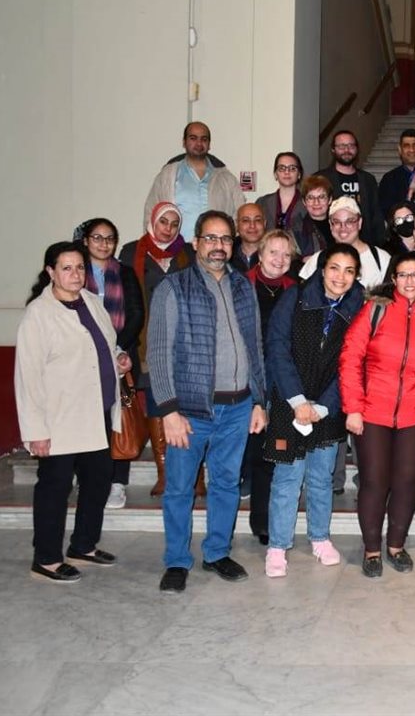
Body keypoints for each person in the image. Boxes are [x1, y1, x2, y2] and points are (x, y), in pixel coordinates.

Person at [148, 210, 267, 594]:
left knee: (226, 484)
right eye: (211, 238)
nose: (219, 246)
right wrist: (168, 410)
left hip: (238, 407)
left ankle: (217, 552)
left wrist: (259, 400)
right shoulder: (174, 287)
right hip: (190, 411)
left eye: (226, 239)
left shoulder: (243, 286)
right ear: (196, 243)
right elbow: (158, 352)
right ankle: (176, 561)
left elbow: (255, 347)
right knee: (180, 488)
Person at [16, 241, 130, 582]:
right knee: (55, 487)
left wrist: (119, 358)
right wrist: (36, 431)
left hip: (96, 412)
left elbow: (106, 344)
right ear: (51, 272)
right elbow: (27, 376)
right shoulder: (39, 314)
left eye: (80, 267)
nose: (75, 274)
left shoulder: (92, 302)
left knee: (98, 482)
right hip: (59, 419)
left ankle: (83, 545)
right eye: (66, 268)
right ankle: (47, 558)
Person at [340, 252, 415, 578]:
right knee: (374, 481)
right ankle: (372, 550)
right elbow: (350, 358)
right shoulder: (374, 310)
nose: (409, 281)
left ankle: (396, 546)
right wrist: (353, 408)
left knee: (406, 482)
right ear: (393, 279)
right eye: (403, 275)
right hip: (372, 412)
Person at [263, 243, 366, 578]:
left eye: (349, 271)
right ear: (322, 270)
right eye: (334, 268)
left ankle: (320, 538)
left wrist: (324, 406)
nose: (340, 277)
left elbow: (353, 363)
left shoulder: (359, 307)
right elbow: (277, 347)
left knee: (322, 478)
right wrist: (297, 400)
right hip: (288, 403)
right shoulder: (295, 297)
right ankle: (278, 546)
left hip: (327, 407)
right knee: (287, 479)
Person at [118, 203, 196, 499]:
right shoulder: (131, 252)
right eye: (163, 222)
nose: (168, 228)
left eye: (175, 223)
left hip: (184, 341)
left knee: (188, 406)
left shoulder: (187, 253)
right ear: (152, 222)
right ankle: (164, 472)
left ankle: (195, 475)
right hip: (148, 340)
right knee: (156, 401)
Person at [75, 219, 143, 510]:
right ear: (86, 241)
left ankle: (118, 482)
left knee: (120, 419)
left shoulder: (124, 272)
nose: (103, 244)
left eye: (109, 238)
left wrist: (117, 348)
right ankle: (89, 477)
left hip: (121, 359)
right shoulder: (76, 272)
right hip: (82, 359)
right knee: (88, 422)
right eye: (97, 237)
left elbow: (136, 313)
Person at [240, 229, 297, 543]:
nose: (279, 259)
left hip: (280, 380)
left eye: (286, 254)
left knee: (269, 453)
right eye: (273, 252)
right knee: (249, 450)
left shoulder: (295, 289)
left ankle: (263, 522)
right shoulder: (240, 285)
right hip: (245, 379)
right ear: (259, 255)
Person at [143, 122, 244, 240]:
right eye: (193, 138)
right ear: (184, 142)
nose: (199, 143)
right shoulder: (167, 176)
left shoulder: (226, 178)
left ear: (209, 144)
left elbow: (241, 214)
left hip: (213, 248)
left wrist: (228, 240)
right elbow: (151, 212)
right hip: (176, 249)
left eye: (204, 139)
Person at [299, 197, 390, 289]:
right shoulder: (318, 260)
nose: (343, 227)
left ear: (359, 223)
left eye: (349, 221)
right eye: (337, 222)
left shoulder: (381, 258)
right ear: (330, 225)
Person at [315, 130, 385, 248]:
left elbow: (376, 215)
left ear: (357, 149)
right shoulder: (321, 179)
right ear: (333, 149)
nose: (347, 150)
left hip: (365, 244)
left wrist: (379, 244)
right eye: (341, 146)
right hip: (332, 245)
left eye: (351, 146)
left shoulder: (368, 180)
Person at [257, 151, 308, 236]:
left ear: (299, 174)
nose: (287, 172)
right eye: (282, 168)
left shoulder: (308, 203)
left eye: (292, 168)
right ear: (275, 174)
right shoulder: (262, 202)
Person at [296, 175, 333, 257]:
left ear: (330, 199)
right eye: (311, 197)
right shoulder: (297, 229)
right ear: (304, 202)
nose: (316, 202)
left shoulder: (339, 225)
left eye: (321, 197)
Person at [230, 202, 265, 273]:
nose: (252, 226)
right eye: (246, 220)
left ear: (264, 224)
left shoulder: (276, 254)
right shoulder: (227, 254)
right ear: (237, 225)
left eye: (257, 220)